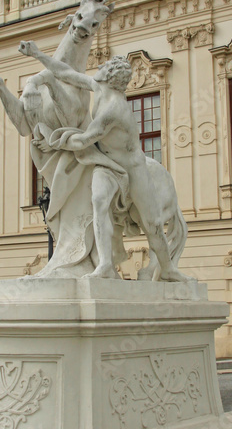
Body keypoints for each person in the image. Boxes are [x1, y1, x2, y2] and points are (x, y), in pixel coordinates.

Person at [19, 42, 190, 282]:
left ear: (110, 76)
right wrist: (37, 54)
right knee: (98, 201)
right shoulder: (98, 88)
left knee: (152, 225)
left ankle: (168, 268)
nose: (99, 66)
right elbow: (65, 73)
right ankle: (106, 265)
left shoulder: (114, 108)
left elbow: (83, 141)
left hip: (133, 169)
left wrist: (53, 141)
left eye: (104, 66)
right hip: (107, 164)